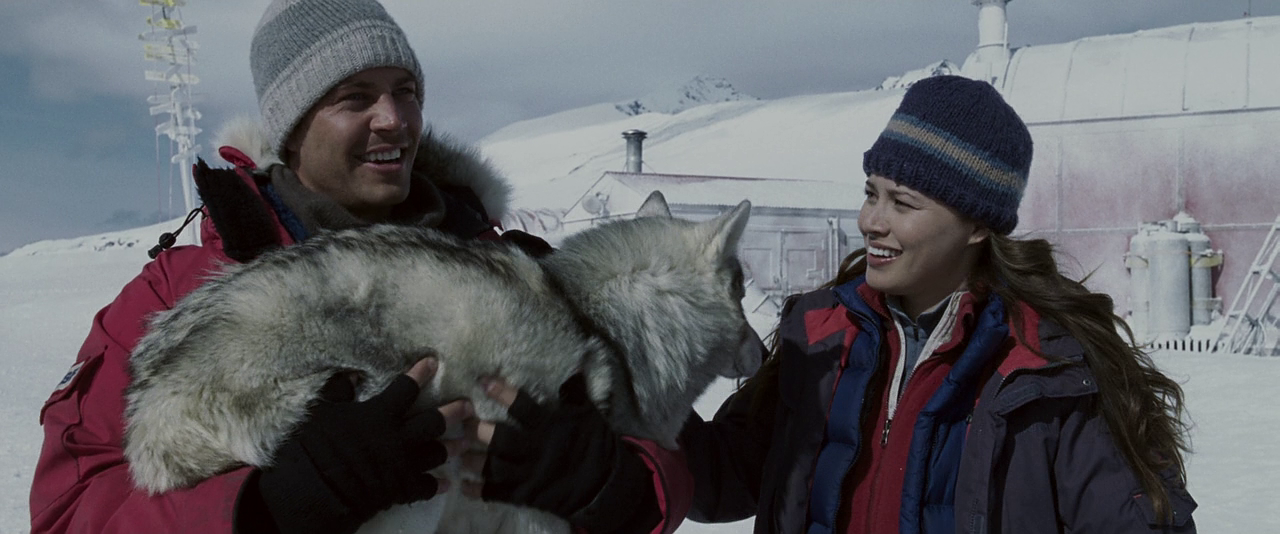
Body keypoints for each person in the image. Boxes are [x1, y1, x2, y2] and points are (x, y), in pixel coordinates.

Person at [29, 1, 687, 532]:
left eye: (406, 91)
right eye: (355, 97)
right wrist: (265, 507)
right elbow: (69, 512)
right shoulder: (176, 293)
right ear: (292, 128)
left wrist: (614, 486)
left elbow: (682, 456)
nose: (394, 120)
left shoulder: (523, 274)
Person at [654, 75, 1197, 533]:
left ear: (977, 226)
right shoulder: (820, 334)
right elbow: (720, 478)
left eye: (903, 203)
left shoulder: (1048, 372)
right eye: (871, 193)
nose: (871, 221)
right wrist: (638, 375)